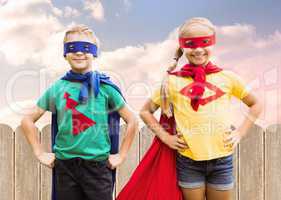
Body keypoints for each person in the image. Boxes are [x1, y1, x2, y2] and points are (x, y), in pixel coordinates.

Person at [139, 17, 262, 200]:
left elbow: (256, 104)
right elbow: (145, 111)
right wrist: (165, 137)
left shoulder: (228, 78)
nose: (198, 49)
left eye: (204, 42)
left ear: (213, 43)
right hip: (189, 162)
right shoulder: (172, 81)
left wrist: (240, 133)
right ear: (182, 47)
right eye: (191, 44)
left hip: (222, 160)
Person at [21, 24, 138, 200]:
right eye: (72, 47)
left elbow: (133, 120)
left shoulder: (106, 87)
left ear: (95, 52)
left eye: (85, 47)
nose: (79, 52)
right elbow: (27, 120)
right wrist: (39, 153)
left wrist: (120, 156)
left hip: (98, 167)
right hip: (65, 166)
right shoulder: (58, 88)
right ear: (65, 53)